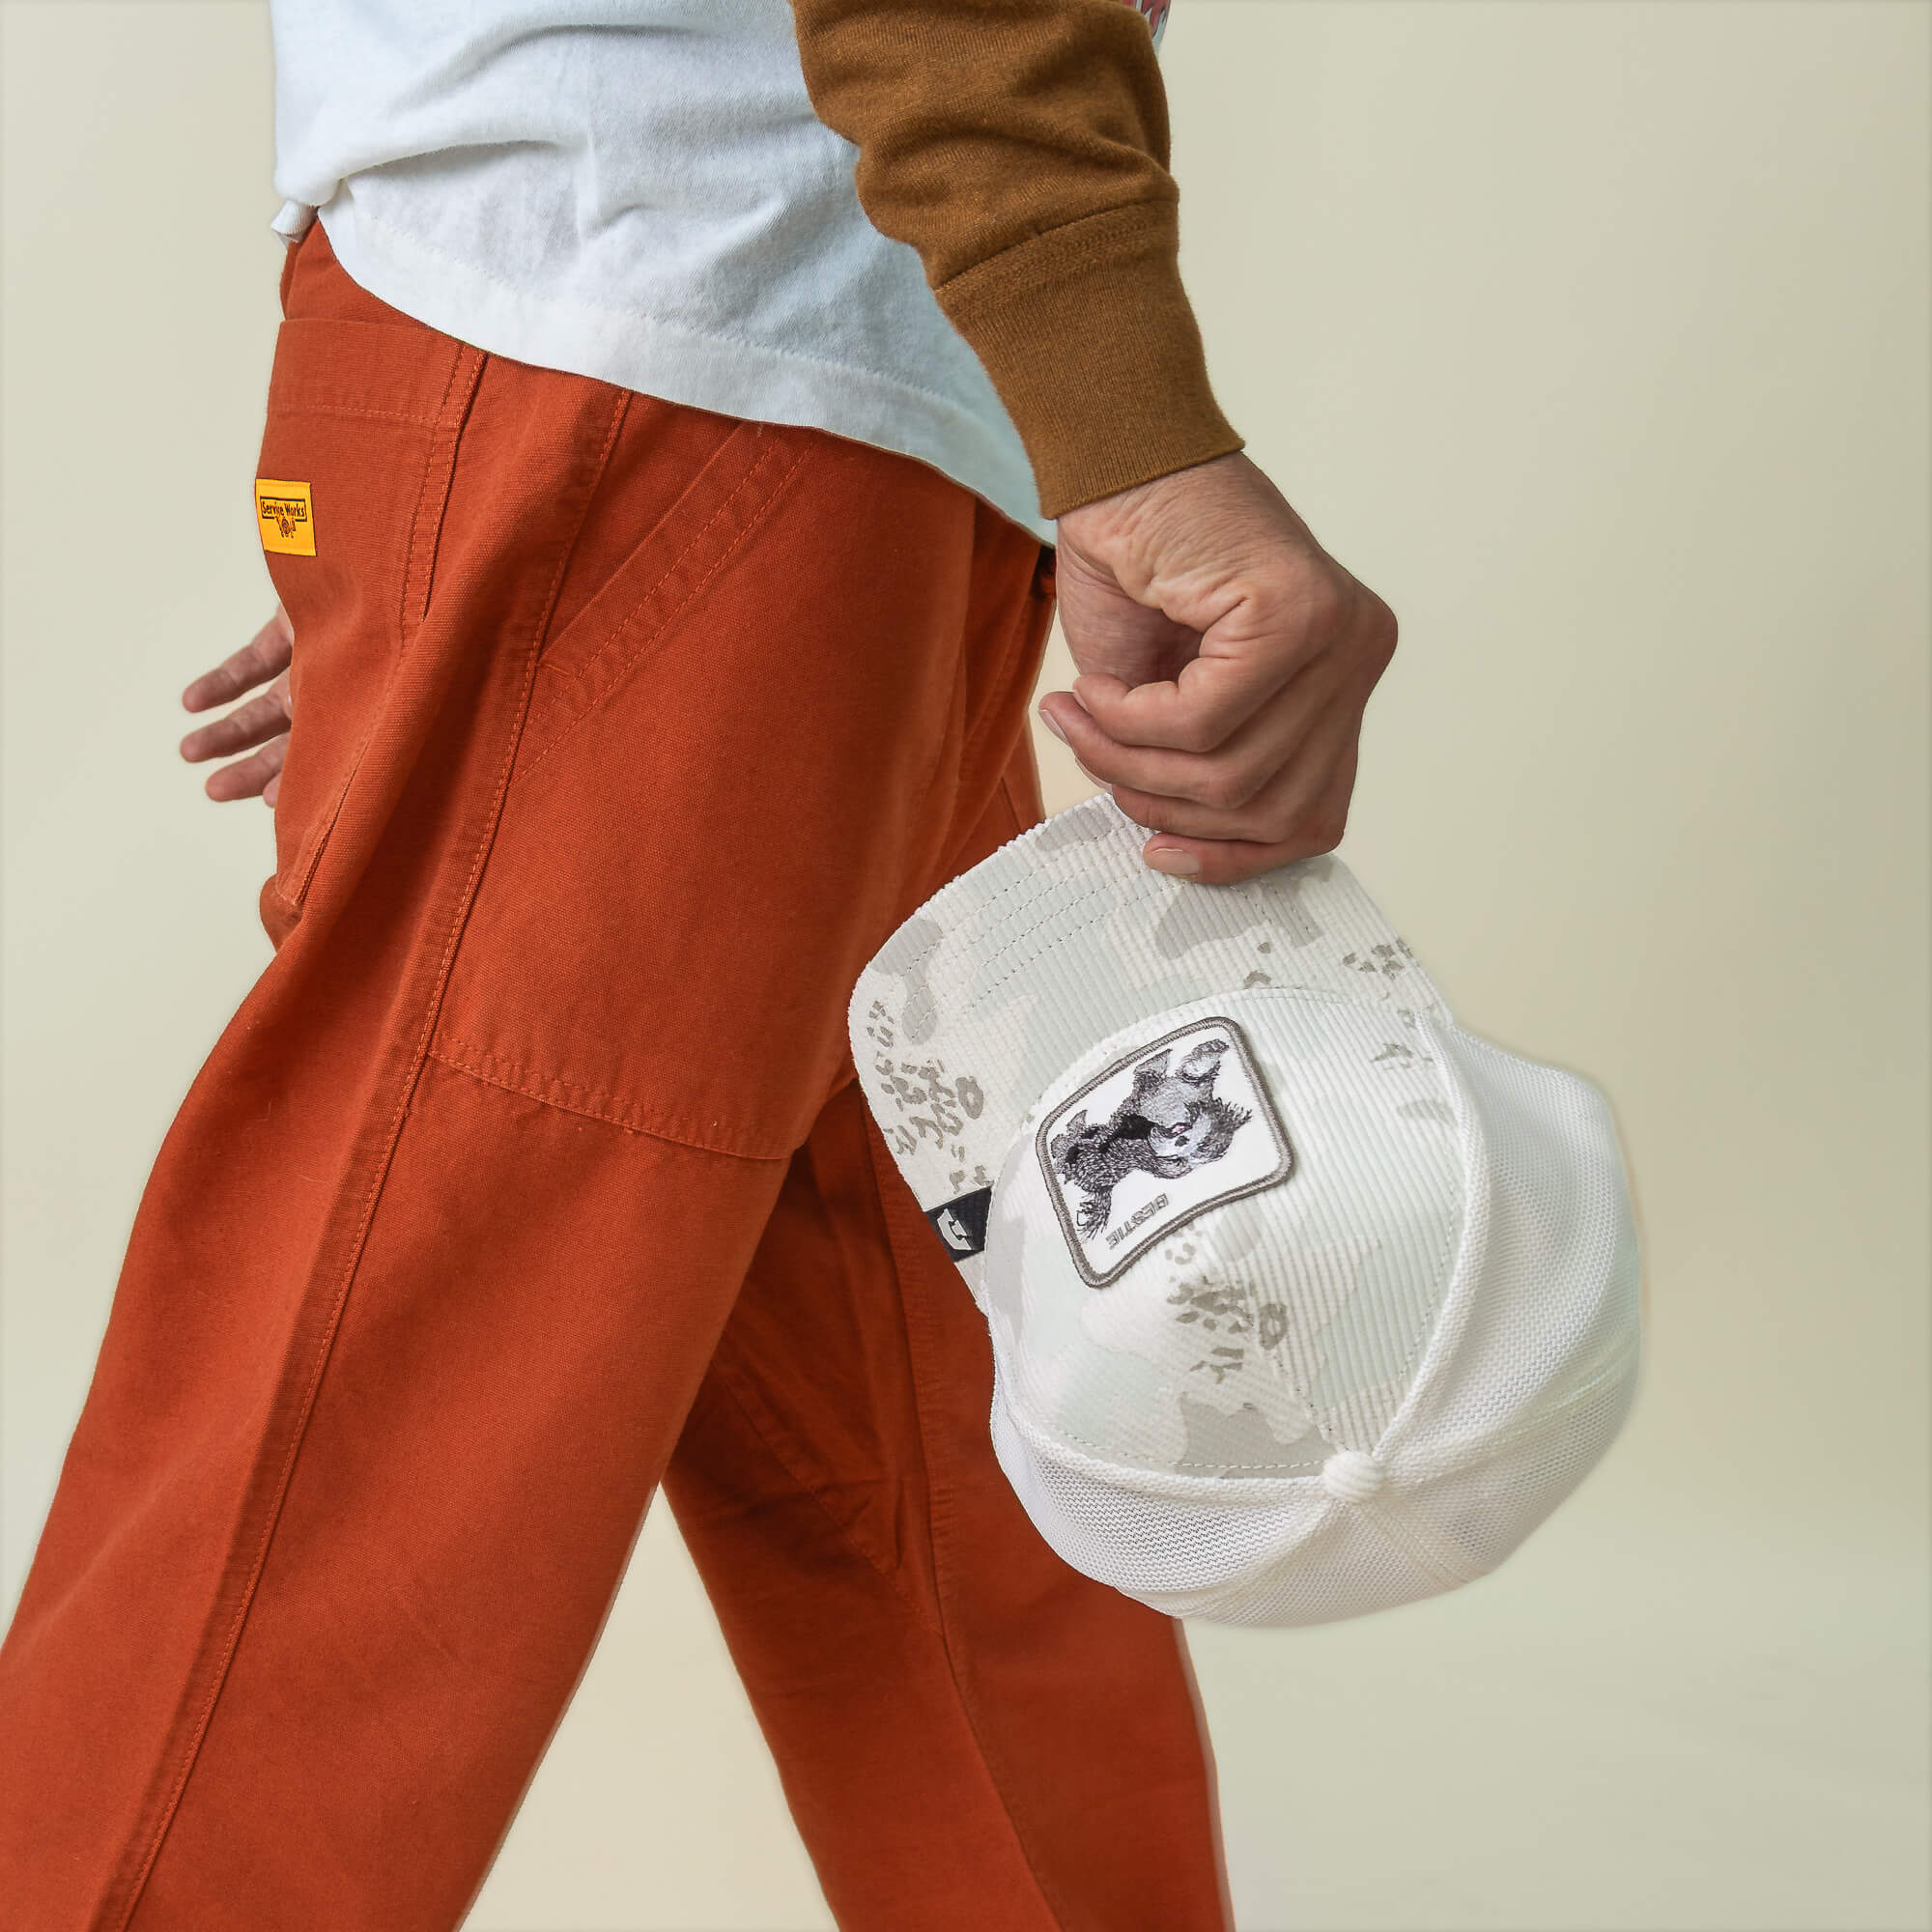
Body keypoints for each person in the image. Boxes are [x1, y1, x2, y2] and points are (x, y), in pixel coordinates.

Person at [0, 3, 1397, 1925]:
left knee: (961, 1477)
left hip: (783, 398)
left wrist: (496, 525)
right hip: (686, 347)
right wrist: (1140, 442)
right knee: (355, 1479)